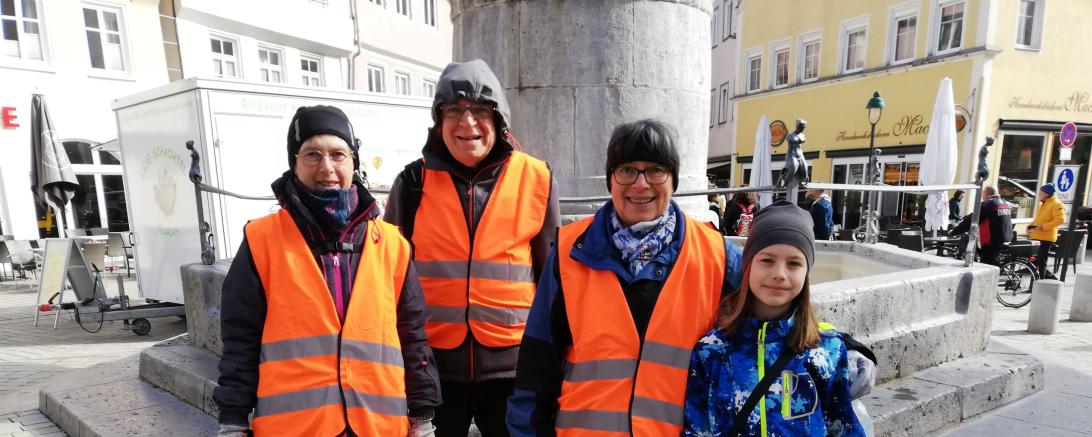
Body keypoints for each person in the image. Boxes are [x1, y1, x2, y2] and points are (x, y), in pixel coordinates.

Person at [505, 120, 876, 436]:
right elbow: (537, 363)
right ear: (611, 178)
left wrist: (840, 343)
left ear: (673, 179)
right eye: (626, 170)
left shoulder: (715, 255)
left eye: (655, 170)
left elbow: (774, 300)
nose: (640, 184)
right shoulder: (570, 250)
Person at [214, 105, 440, 437]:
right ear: (294, 162)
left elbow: (413, 338)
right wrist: (232, 421)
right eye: (312, 154)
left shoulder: (391, 245)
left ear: (353, 162)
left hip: (378, 427)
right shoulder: (261, 240)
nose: (326, 167)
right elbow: (240, 340)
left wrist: (422, 418)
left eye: (338, 154)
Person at [383, 59, 560, 437]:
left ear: (499, 120)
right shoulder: (412, 182)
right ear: (438, 119)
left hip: (515, 371)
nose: (467, 123)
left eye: (481, 110)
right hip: (434, 371)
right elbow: (387, 283)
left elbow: (552, 283)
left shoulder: (537, 178)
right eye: (454, 111)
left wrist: (552, 363)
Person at [683, 201, 867, 436]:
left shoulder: (825, 351)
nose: (779, 274)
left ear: (806, 273)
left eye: (793, 263)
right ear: (748, 266)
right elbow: (697, 429)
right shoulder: (711, 352)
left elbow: (842, 427)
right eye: (767, 260)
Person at [951, 186, 1012, 265]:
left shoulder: (987, 204)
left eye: (982, 193)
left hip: (992, 241)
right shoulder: (1004, 203)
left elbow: (972, 219)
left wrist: (955, 231)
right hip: (1007, 237)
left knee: (985, 265)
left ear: (986, 194)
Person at [1027, 183, 1066, 279]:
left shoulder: (1057, 204)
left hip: (1046, 238)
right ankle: (1035, 283)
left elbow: (1061, 220)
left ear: (1047, 193)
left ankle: (1041, 283)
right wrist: (1030, 226)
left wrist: (1043, 227)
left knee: (1041, 262)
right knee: (1034, 261)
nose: (1039, 194)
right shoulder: (1044, 203)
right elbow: (1039, 219)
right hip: (1037, 236)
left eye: (1041, 192)